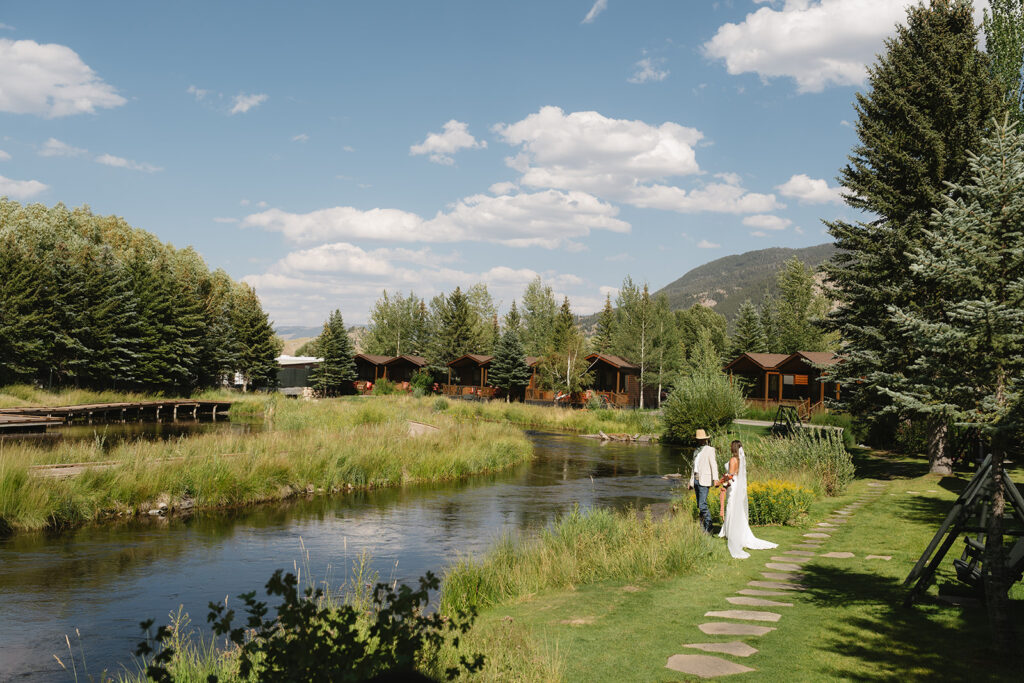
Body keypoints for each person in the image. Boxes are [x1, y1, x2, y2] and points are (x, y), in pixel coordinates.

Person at [718, 440, 777, 559]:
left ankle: (729, 533)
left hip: (732, 486)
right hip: (737, 484)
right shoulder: (740, 460)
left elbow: (730, 475)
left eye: (731, 446)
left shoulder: (732, 460)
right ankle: (732, 531)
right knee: (736, 509)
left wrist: (721, 481)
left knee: (731, 507)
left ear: (733, 448)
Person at [687, 429, 718, 534]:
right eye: (698, 439)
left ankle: (709, 527)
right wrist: (690, 482)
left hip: (704, 480)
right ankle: (702, 528)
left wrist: (716, 479)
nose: (700, 441)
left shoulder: (709, 450)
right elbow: (694, 468)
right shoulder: (696, 450)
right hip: (696, 480)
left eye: (702, 439)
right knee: (699, 506)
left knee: (702, 504)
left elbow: (713, 464)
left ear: (705, 440)